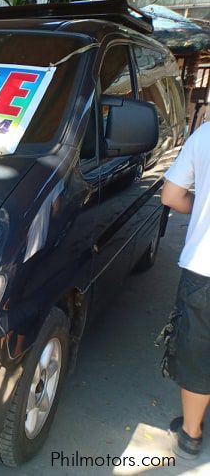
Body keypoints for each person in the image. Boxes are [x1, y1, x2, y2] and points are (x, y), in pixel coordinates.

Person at [159, 122, 210, 459]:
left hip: (205, 267)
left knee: (198, 350)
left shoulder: (206, 134)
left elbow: (171, 196)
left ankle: (192, 433)